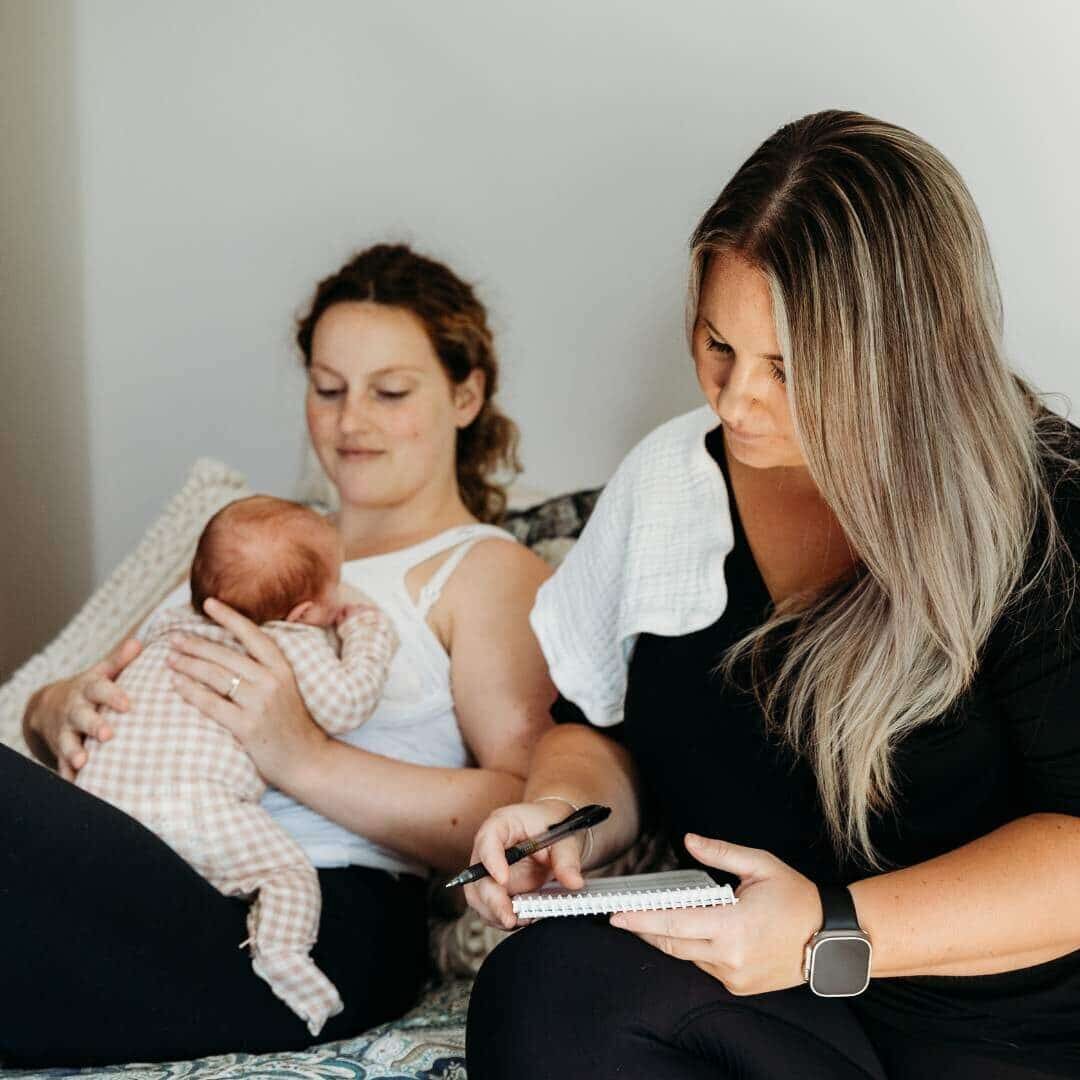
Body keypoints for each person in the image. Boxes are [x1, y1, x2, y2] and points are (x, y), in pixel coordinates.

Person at [464, 110, 1080, 1079]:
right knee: (546, 990)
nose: (734, 399)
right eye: (717, 345)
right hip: (783, 1007)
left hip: (1004, 1029)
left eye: (791, 370)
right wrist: (558, 815)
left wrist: (828, 928)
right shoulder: (669, 483)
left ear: (907, 355)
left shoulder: (1043, 506)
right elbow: (597, 733)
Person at [6, 243, 555, 1068]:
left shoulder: (484, 570)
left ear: (466, 392)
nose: (349, 421)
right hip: (153, 853)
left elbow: (523, 809)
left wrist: (304, 755)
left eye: (390, 391)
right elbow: (130, 685)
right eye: (327, 389)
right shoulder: (251, 541)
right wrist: (55, 709)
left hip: (312, 907)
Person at [77, 495, 400, 1036]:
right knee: (285, 874)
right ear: (302, 614)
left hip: (99, 798)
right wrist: (368, 632)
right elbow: (347, 703)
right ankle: (281, 956)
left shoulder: (168, 629)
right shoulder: (293, 642)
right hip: (196, 807)